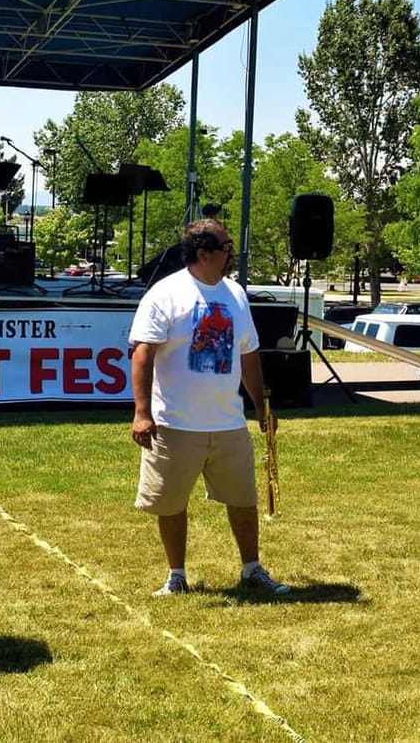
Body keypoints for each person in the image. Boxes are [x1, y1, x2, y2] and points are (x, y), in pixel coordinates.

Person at [129, 219, 290, 597]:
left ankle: (252, 569)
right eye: (225, 246)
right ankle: (176, 576)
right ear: (204, 254)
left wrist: (261, 406)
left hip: (227, 423)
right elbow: (142, 353)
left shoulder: (235, 293)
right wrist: (142, 412)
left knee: (243, 500)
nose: (231, 252)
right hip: (175, 424)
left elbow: (248, 355)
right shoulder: (165, 294)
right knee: (170, 503)